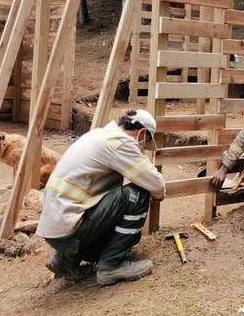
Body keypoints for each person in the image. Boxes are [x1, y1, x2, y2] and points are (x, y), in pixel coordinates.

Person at [37, 109, 165, 286]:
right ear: (142, 133)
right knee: (137, 194)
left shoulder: (97, 135)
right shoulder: (121, 142)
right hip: (72, 231)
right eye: (145, 142)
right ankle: (111, 265)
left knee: (105, 198)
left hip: (54, 230)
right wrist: (158, 195)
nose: (142, 146)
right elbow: (156, 185)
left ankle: (64, 261)